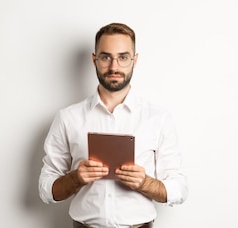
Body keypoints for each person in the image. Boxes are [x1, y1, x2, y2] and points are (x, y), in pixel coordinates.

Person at [38, 22, 188, 228]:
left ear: (135, 61)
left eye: (123, 57)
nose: (114, 67)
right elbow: (46, 189)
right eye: (106, 57)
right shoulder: (67, 118)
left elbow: (179, 189)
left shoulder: (158, 118)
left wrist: (145, 183)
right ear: (94, 59)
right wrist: (76, 178)